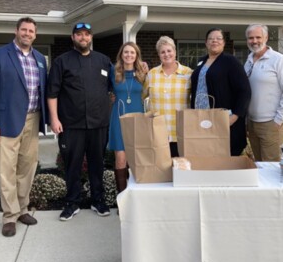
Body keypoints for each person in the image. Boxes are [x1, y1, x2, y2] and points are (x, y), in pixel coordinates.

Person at [0, 17, 48, 237]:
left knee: (27, 168)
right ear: (16, 31)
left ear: (35, 35)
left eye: (31, 31)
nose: (27, 34)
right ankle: (9, 216)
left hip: (33, 118)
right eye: (24, 30)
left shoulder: (40, 58)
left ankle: (22, 209)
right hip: (6, 121)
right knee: (7, 170)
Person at [47, 22, 112, 220]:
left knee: (97, 164)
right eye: (79, 34)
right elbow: (52, 93)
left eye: (86, 34)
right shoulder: (61, 61)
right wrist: (54, 119)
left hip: (98, 124)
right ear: (73, 38)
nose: (83, 38)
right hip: (70, 125)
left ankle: (98, 201)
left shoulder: (103, 60)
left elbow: (115, 84)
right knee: (72, 165)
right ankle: (72, 203)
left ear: (91, 37)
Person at [190, 28, 251, 156]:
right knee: (206, 154)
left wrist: (234, 116)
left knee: (225, 157)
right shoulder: (202, 61)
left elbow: (244, 91)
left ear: (223, 43)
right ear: (206, 43)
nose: (214, 41)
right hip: (202, 118)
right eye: (211, 39)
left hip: (224, 119)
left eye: (218, 38)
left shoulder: (231, 62)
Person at [244, 24, 283, 162]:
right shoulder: (249, 61)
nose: (254, 41)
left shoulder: (280, 60)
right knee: (259, 164)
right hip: (252, 122)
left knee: (271, 165)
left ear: (266, 37)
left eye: (258, 37)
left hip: (271, 123)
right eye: (251, 38)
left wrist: (279, 119)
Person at [143, 36, 192, 157]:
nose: (166, 54)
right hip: (157, 133)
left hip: (181, 132)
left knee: (180, 170)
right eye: (162, 52)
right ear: (159, 55)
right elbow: (140, 96)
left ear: (175, 52)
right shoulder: (152, 74)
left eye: (169, 51)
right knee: (160, 172)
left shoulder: (188, 73)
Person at [109, 42, 147, 193]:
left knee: (137, 159)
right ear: (121, 55)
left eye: (132, 52)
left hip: (138, 119)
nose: (129, 55)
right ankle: (122, 197)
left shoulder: (143, 73)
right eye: (126, 52)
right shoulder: (114, 72)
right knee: (121, 158)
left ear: (136, 55)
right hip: (118, 118)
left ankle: (136, 195)